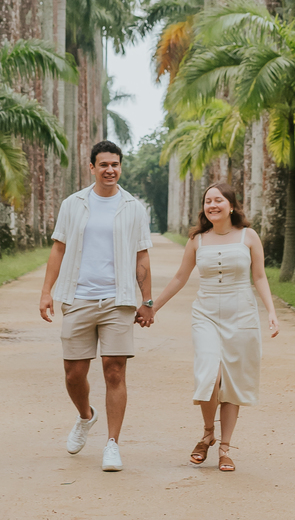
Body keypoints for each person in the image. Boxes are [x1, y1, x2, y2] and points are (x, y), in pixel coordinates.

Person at [39, 140, 153, 472]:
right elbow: (58, 250)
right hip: (78, 297)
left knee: (114, 370)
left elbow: (141, 255)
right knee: (74, 373)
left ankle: (112, 444)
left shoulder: (133, 207)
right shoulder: (73, 204)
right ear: (91, 168)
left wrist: (146, 301)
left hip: (118, 300)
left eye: (115, 164)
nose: (110, 170)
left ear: (120, 167)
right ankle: (85, 416)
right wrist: (47, 292)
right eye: (103, 164)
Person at [150, 179, 277, 472]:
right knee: (210, 374)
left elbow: (259, 277)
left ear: (231, 205)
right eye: (208, 201)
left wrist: (271, 312)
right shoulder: (198, 240)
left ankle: (225, 448)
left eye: (218, 200)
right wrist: (153, 308)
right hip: (205, 314)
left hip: (241, 315)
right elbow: (181, 278)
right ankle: (208, 431)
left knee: (232, 382)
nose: (212, 205)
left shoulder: (249, 237)